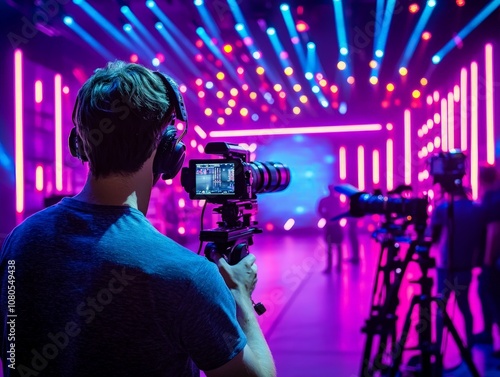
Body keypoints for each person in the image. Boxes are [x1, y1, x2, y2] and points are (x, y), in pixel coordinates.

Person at [0, 61, 275, 377]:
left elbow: (10, 351)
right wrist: (240, 295)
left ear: (78, 143)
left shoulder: (21, 241)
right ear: (168, 149)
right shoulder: (188, 275)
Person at [430, 185, 484, 350]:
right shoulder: (476, 210)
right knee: (465, 306)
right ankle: (469, 345)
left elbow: (432, 236)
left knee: (440, 309)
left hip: (445, 268)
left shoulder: (442, 209)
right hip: (465, 267)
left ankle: (438, 346)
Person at [478, 165, 500, 357]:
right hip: (494, 259)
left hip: (494, 260)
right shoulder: (493, 196)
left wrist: (487, 261)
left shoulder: (492, 199)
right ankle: (487, 334)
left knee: (493, 297)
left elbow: (494, 230)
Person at [317, 185, 345, 273]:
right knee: (336, 246)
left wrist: (325, 216)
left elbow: (319, 209)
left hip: (332, 226)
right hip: (334, 226)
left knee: (331, 247)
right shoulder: (336, 200)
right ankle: (337, 266)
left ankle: (332, 267)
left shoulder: (326, 200)